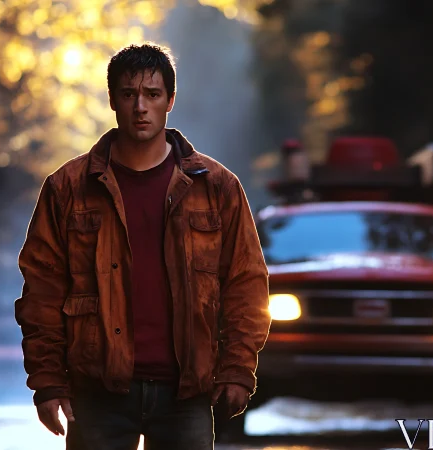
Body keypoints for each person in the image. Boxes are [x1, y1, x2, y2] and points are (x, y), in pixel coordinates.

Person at [14, 43, 271, 449]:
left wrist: (238, 369)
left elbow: (246, 284)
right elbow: (42, 291)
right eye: (129, 94)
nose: (140, 107)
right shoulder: (67, 188)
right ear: (112, 99)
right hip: (98, 393)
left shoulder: (216, 187)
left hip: (185, 394)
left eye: (152, 95)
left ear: (170, 100)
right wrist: (47, 382)